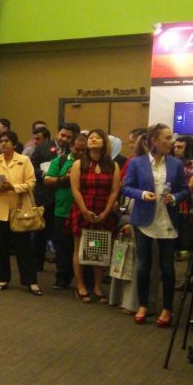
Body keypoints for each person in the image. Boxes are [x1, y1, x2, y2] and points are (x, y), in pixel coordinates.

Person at [122, 124, 189, 327]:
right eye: (167, 138)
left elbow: (185, 190)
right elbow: (126, 187)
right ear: (154, 140)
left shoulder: (176, 164)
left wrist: (174, 198)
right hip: (144, 220)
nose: (172, 142)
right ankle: (143, 305)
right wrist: (142, 194)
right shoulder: (137, 162)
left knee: (167, 267)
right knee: (144, 265)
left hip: (167, 220)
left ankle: (167, 308)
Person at [0, 130, 41, 295]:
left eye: (6, 141)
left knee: (24, 248)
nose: (3, 143)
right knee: (0, 246)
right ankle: (3, 278)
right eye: (1, 141)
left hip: (19, 210)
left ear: (14, 144)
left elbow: (32, 182)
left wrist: (14, 187)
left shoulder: (24, 160)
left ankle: (31, 281)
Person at [69, 129, 121, 303]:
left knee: (99, 249)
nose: (93, 140)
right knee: (79, 249)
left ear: (105, 142)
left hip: (103, 211)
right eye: (91, 137)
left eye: (97, 138)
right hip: (82, 210)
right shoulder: (79, 164)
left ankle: (97, 287)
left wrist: (106, 212)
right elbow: (75, 189)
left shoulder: (112, 165)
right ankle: (80, 286)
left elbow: (114, 191)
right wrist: (84, 210)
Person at [30, 123, 76, 272]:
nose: (64, 139)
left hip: (64, 198)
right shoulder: (43, 147)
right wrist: (44, 174)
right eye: (62, 135)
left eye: (68, 137)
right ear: (58, 133)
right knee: (40, 232)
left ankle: (63, 267)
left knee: (61, 236)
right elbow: (31, 167)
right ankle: (37, 263)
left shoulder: (74, 151)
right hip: (45, 195)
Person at [44, 133, 87, 290]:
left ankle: (85, 280)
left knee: (84, 246)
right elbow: (47, 179)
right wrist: (63, 179)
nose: (80, 153)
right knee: (62, 246)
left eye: (84, 150)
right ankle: (63, 277)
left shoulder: (90, 163)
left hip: (84, 211)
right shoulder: (61, 160)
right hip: (62, 210)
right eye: (77, 149)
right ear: (71, 146)